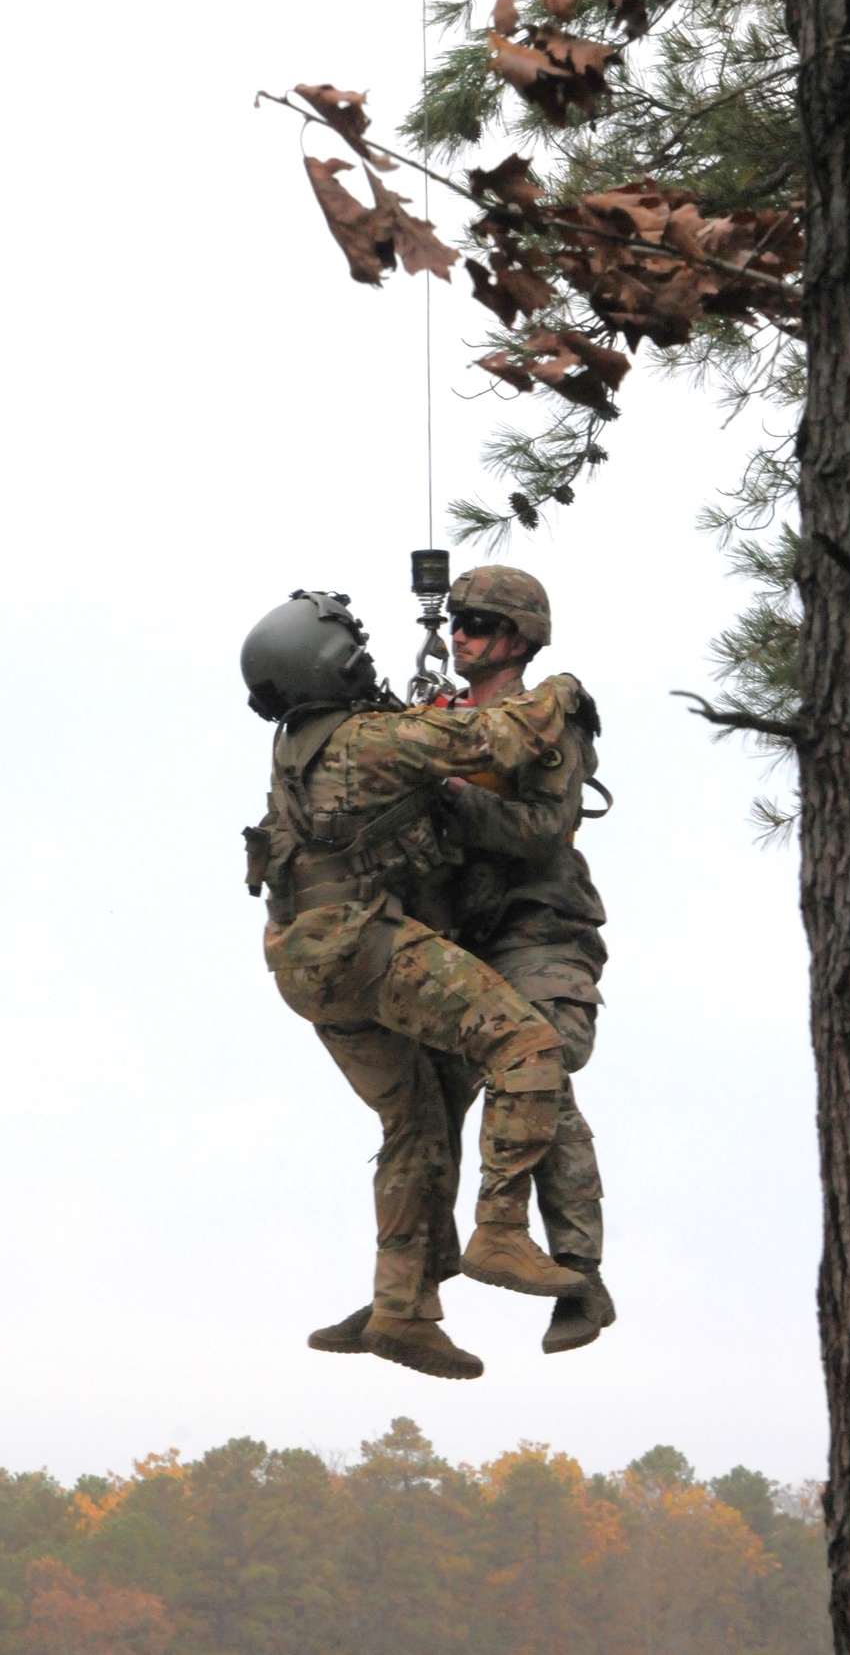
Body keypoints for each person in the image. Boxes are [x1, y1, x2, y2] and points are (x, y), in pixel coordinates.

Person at [241, 588, 593, 1381]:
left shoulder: (298, 743)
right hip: (364, 948)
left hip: (302, 968)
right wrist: (562, 691)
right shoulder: (372, 742)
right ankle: (499, 1229)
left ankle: (400, 1311)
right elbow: (502, 734)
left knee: (417, 1123)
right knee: (526, 1044)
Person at [436, 566, 615, 1355]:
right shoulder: (434, 719)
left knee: (542, 1069)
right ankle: (406, 1289)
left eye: (476, 621)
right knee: (424, 1103)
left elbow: (542, 830)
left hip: (541, 930)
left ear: (516, 638)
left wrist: (452, 793)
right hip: (461, 937)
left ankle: (579, 1272)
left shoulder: (546, 722)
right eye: (455, 619)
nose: (459, 633)